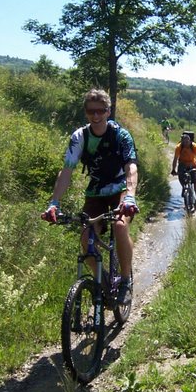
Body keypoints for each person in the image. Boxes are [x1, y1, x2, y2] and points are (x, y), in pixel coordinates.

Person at [42, 89, 139, 304]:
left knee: (121, 226)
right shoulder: (80, 137)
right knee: (86, 240)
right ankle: (104, 283)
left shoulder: (120, 135)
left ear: (108, 111)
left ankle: (125, 280)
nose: (95, 116)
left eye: (100, 111)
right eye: (90, 112)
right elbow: (66, 171)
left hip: (121, 188)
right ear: (86, 112)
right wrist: (54, 203)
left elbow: (131, 166)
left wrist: (130, 196)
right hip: (96, 191)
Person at [171, 133, 196, 208]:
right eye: (184, 142)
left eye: (187, 141)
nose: (186, 143)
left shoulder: (194, 146)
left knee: (195, 181)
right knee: (181, 177)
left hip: (192, 164)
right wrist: (173, 169)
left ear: (190, 141)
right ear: (182, 141)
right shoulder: (179, 147)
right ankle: (184, 187)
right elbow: (175, 159)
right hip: (182, 165)